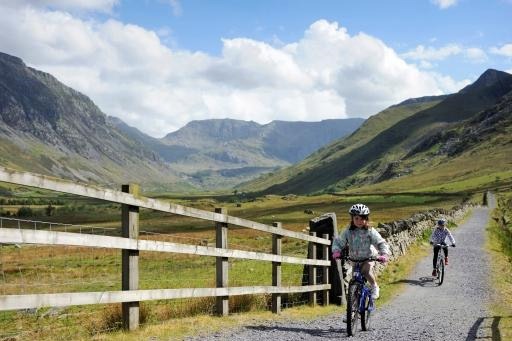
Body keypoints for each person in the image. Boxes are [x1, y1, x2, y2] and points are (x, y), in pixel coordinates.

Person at [332, 203, 390, 300]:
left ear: (366, 219)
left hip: (368, 257)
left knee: (365, 271)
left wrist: (384, 253)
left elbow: (380, 242)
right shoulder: (348, 231)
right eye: (357, 218)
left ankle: (374, 287)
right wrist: (336, 251)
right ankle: (355, 303)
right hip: (354, 259)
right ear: (352, 219)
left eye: (362, 218)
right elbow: (339, 242)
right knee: (355, 279)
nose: (359, 221)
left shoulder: (370, 231)